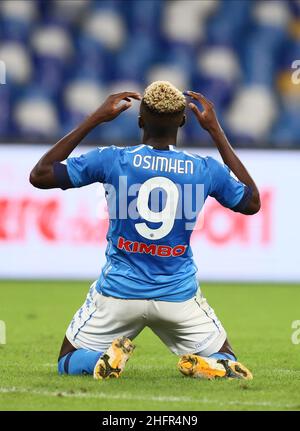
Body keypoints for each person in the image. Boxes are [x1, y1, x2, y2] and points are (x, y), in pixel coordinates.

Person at [30, 81, 260, 380]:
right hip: (177, 296)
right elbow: (252, 202)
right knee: (225, 356)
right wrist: (215, 130)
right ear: (182, 121)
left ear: (140, 120)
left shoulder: (113, 159)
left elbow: (41, 174)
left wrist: (95, 118)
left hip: (119, 294)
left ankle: (103, 360)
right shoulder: (205, 168)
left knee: (68, 359)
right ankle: (213, 365)